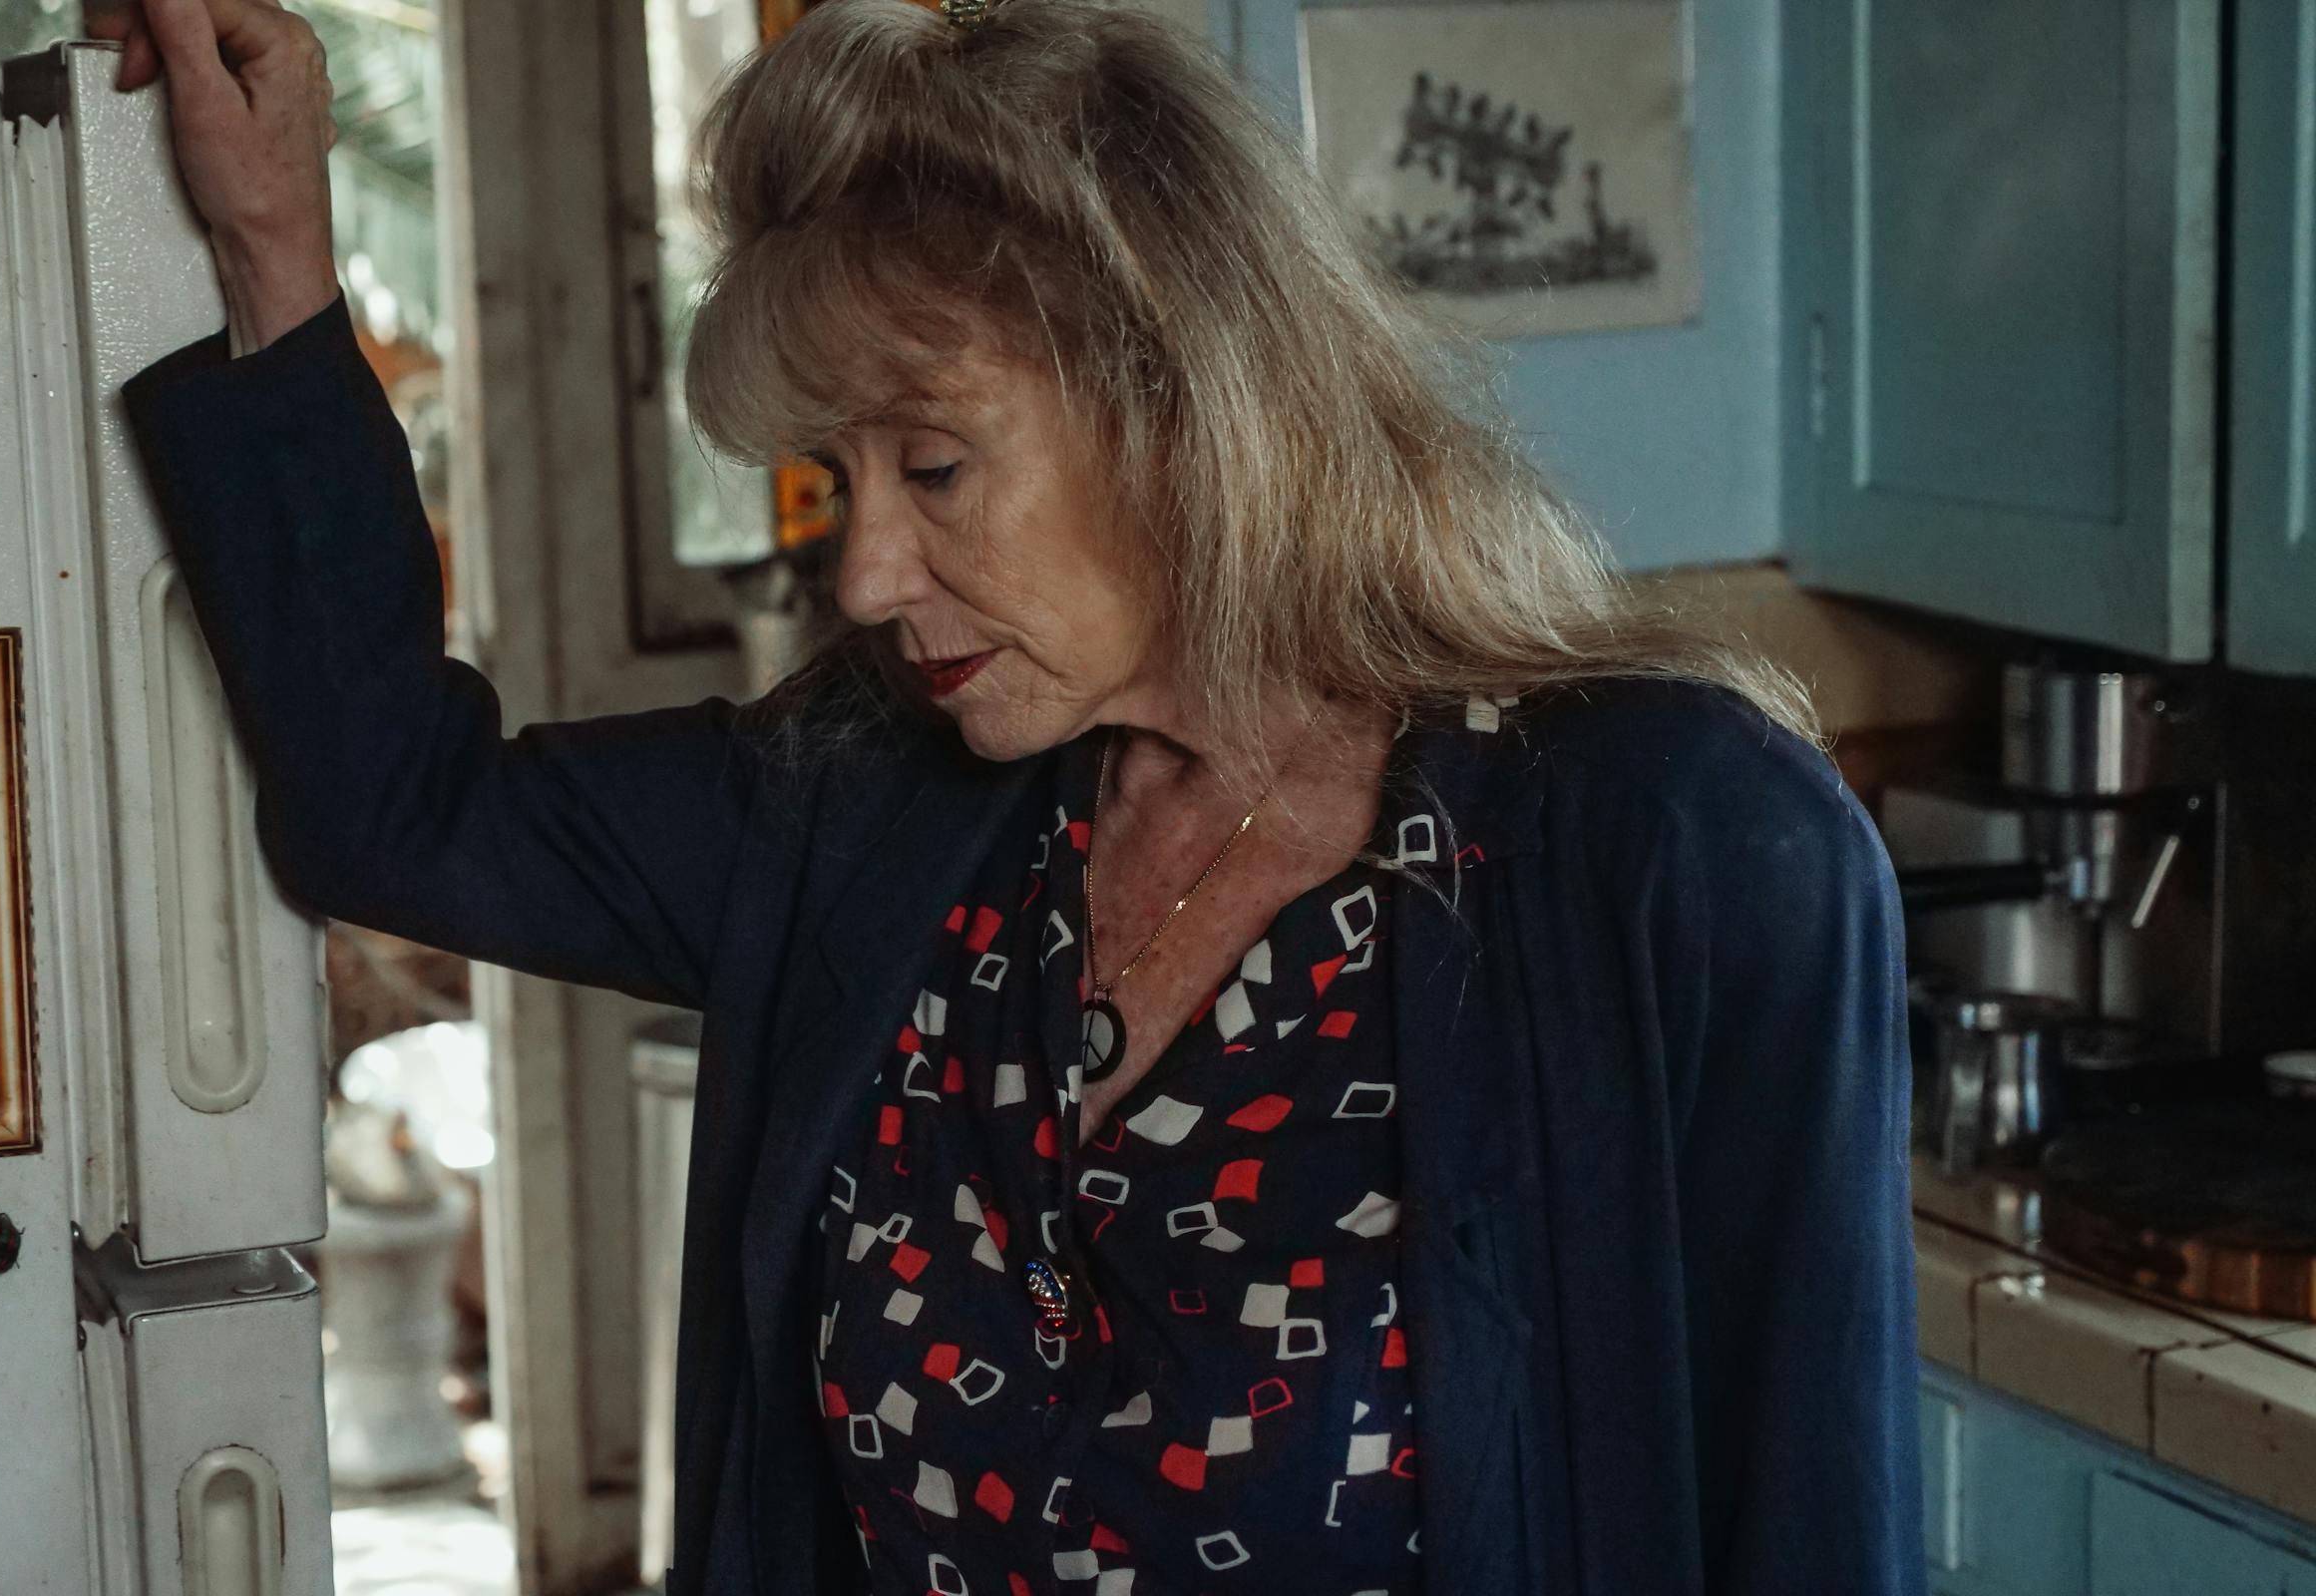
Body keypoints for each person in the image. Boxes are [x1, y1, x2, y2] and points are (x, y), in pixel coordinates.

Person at [98, 0, 1921, 1589]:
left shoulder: (1680, 849)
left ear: (1184, 400)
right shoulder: (868, 812)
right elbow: (392, 811)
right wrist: (274, 251)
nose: (870, 573)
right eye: (839, 477)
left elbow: (1808, 1523)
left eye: (939, 467)